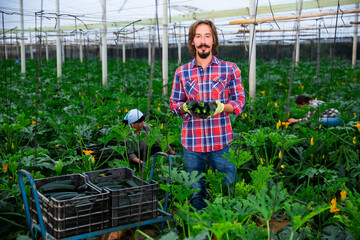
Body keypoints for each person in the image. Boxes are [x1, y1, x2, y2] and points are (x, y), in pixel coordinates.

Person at [169, 20, 246, 210]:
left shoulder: (230, 69)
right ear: (193, 42)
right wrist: (185, 107)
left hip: (220, 141)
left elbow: (240, 102)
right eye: (198, 36)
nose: (203, 41)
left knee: (227, 192)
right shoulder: (181, 72)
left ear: (213, 41)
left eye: (207, 36)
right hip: (192, 143)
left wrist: (222, 107)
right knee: (196, 195)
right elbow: (173, 104)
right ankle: (199, 229)